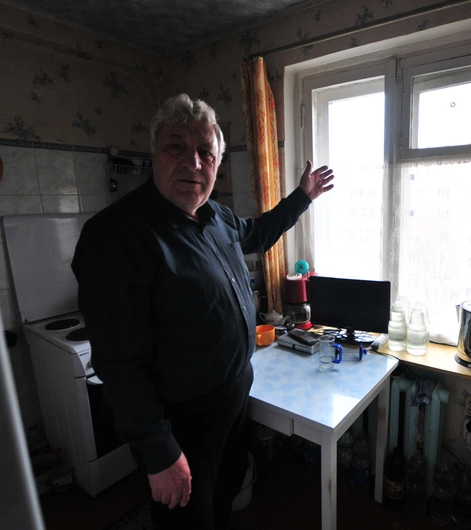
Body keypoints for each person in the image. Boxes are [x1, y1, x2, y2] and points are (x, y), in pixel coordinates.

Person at [71, 94, 334, 529]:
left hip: (233, 398)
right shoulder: (117, 236)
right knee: (187, 520)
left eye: (205, 152)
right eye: (176, 146)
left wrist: (302, 197)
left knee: (223, 497)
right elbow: (119, 364)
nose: (193, 163)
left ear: (217, 164)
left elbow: (258, 233)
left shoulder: (216, 216)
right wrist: (159, 451)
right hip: (180, 419)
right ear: (154, 154)